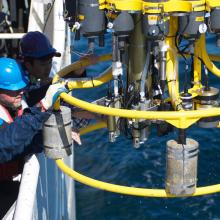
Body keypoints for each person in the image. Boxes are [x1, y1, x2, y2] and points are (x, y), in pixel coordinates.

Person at [0, 57, 67, 218]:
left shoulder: (7, 106)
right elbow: (6, 142)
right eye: (14, 90)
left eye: (21, 87)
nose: (20, 92)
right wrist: (42, 106)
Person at [19, 31, 101, 144]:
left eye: (50, 62)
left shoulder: (32, 77)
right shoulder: (21, 87)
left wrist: (81, 67)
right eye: (43, 64)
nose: (48, 68)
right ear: (28, 64)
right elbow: (34, 96)